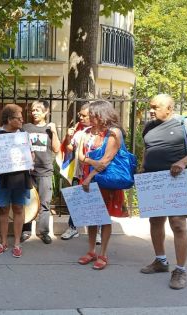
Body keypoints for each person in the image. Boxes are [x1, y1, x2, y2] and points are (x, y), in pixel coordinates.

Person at [140, 94, 187, 290]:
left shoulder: (184, 123)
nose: (151, 110)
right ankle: (160, 261)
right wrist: (144, 167)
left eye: (156, 107)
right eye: (150, 106)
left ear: (169, 108)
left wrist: (183, 162)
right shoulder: (149, 126)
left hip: (177, 181)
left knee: (178, 224)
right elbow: (148, 149)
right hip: (155, 181)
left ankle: (180, 270)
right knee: (155, 221)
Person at [77, 100, 127, 270]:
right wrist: (88, 163)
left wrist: (89, 173)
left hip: (104, 180)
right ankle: (91, 251)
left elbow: (105, 161)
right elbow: (80, 156)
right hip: (89, 178)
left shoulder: (114, 132)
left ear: (102, 115)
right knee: (91, 216)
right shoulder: (89, 132)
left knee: (104, 218)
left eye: (93, 115)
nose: (89, 117)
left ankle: (103, 254)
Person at [0, 104, 33, 258]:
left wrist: (30, 159)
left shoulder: (24, 135)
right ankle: (3, 242)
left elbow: (31, 154)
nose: (22, 119)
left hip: (20, 177)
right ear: (9, 119)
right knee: (3, 209)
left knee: (19, 209)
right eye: (19, 117)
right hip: (0, 178)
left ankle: (16, 243)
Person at [20, 100, 60, 244]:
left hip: (45, 171)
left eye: (38, 110)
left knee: (44, 203)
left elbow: (56, 149)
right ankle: (25, 230)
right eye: (33, 110)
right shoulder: (26, 128)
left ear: (46, 112)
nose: (34, 112)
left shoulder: (50, 128)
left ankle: (43, 232)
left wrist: (54, 131)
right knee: (27, 202)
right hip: (28, 172)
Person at [60, 103, 90, 241]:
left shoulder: (102, 132)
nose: (81, 118)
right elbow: (69, 148)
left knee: (96, 201)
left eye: (84, 115)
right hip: (79, 173)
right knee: (76, 200)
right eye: (80, 115)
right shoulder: (79, 132)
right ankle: (73, 228)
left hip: (94, 173)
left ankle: (99, 231)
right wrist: (67, 136)